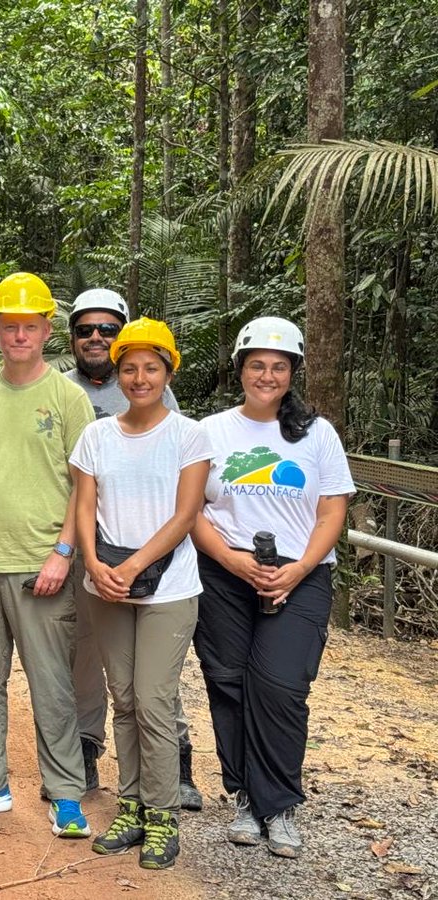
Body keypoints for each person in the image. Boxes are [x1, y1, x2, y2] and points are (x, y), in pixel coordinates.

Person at [0, 272, 95, 839]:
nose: (20, 335)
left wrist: (63, 553)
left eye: (30, 326)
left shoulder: (68, 398)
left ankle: (64, 793)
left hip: (42, 567)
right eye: (10, 326)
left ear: (46, 330)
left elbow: (84, 485)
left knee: (51, 684)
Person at [191, 316, 353, 859]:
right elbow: (191, 510)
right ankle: (245, 797)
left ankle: (278, 803)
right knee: (229, 680)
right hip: (224, 570)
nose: (267, 375)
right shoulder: (211, 431)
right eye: (257, 365)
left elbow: (333, 509)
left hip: (300, 572)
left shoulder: (316, 432)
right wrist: (235, 563)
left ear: (292, 373)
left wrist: (299, 569)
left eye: (278, 367)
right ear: (241, 369)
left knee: (281, 685)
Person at [70, 318, 212, 869]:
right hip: (106, 583)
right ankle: (130, 803)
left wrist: (130, 565)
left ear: (167, 372)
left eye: (151, 367)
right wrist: (92, 561)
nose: (138, 377)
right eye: (129, 367)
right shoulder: (97, 435)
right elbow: (85, 506)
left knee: (153, 700)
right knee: (123, 698)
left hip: (167, 588)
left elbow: (185, 514)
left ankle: (163, 814)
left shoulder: (188, 434)